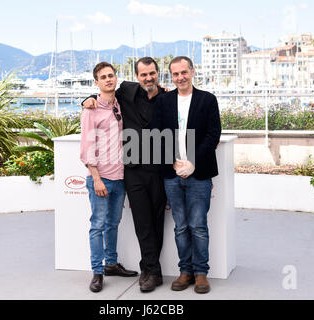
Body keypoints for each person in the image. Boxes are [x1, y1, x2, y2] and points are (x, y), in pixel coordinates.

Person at [82, 57, 167, 292]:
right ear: (136, 76)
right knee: (137, 223)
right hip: (132, 173)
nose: (148, 78)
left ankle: (150, 269)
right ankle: (145, 271)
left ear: (158, 74)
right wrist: (86, 99)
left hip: (156, 171)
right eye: (143, 74)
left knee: (155, 222)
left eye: (152, 73)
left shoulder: (166, 97)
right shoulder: (126, 92)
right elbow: (101, 94)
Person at [151, 56, 221, 294]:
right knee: (180, 226)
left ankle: (201, 274)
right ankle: (185, 271)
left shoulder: (208, 100)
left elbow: (213, 134)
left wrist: (193, 162)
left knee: (198, 225)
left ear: (192, 72)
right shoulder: (163, 101)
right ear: (171, 76)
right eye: (175, 74)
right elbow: (155, 133)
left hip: (199, 174)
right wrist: (173, 162)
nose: (180, 77)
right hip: (171, 175)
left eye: (184, 72)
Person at [80, 62, 138, 293]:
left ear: (115, 78)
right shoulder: (90, 110)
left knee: (113, 224)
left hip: (120, 177)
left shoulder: (120, 105)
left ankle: (111, 264)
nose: (108, 79)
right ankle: (97, 272)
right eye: (102, 77)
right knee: (98, 225)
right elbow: (86, 148)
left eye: (110, 75)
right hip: (100, 179)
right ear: (96, 83)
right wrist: (96, 178)